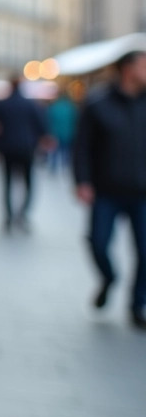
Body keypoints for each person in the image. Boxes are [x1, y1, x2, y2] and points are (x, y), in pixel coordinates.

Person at [72, 50, 146, 329]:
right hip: (106, 190)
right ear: (128, 70)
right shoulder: (98, 103)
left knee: (145, 252)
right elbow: (82, 147)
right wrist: (82, 182)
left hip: (142, 192)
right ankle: (109, 278)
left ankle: (138, 304)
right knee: (98, 242)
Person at [0, 76, 49, 232]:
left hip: (7, 148)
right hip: (27, 148)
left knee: (7, 183)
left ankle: (9, 216)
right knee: (28, 183)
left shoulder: (2, 104)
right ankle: (23, 214)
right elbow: (42, 125)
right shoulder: (30, 104)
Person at [46, 91, 78, 173]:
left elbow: (48, 121)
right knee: (66, 151)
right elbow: (75, 121)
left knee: (54, 152)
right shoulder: (71, 108)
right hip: (68, 133)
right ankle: (65, 167)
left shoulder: (53, 107)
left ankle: (53, 167)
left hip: (55, 133)